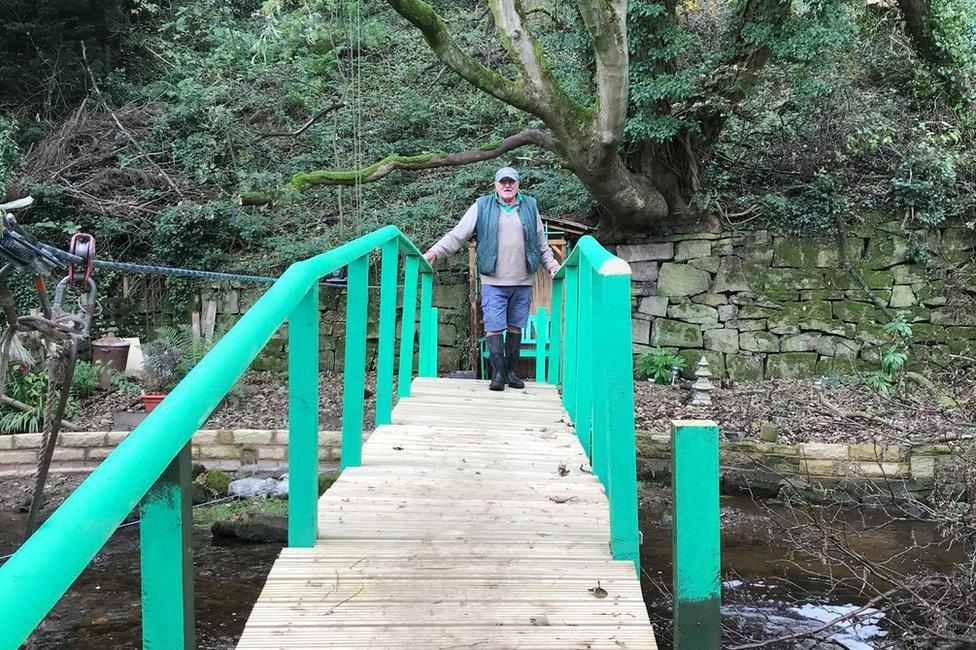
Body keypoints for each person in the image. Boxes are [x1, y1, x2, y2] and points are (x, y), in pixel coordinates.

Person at [424, 167, 559, 391]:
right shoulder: (482, 205)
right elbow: (458, 234)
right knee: (494, 327)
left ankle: (510, 373)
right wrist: (434, 252)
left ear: (518, 184)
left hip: (523, 280)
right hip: (493, 281)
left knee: (516, 327)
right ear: (495, 184)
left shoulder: (530, 206)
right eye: (502, 182)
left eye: (511, 182)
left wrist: (553, 265)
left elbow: (540, 242)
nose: (507, 185)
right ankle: (497, 375)